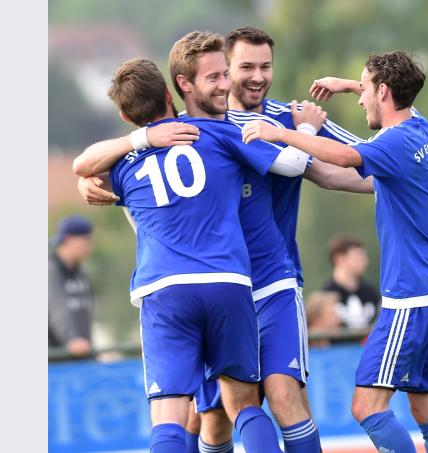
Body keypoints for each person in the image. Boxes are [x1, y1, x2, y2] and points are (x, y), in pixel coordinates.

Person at [241, 51, 428, 453]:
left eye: (365, 90)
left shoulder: (390, 145)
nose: (360, 100)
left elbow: (344, 156)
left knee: (366, 406)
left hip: (410, 299)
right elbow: (383, 110)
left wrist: (282, 133)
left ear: (384, 91)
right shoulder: (422, 127)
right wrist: (349, 84)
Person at [73, 35, 290, 452]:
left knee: (169, 417)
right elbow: (294, 164)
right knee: (244, 404)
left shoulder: (121, 163)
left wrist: (134, 146)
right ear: (173, 92)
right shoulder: (217, 133)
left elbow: (85, 166)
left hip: (164, 289)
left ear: (123, 114)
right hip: (228, 281)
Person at [48, 215, 95, 359]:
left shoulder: (80, 272)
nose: (90, 247)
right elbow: (58, 308)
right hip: (55, 358)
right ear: (69, 240)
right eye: (85, 241)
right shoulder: (50, 270)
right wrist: (72, 339)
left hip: (78, 357)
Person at [322, 234, 381, 330]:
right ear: (339, 259)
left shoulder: (371, 293)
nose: (366, 261)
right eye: (358, 256)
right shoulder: (325, 296)